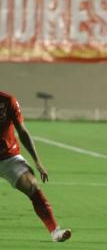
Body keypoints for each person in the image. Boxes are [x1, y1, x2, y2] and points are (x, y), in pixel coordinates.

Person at [0, 92, 71, 242]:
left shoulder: (8, 101)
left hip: (8, 157)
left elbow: (22, 131)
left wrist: (37, 161)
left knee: (32, 186)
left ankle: (55, 232)